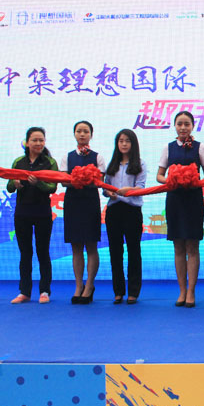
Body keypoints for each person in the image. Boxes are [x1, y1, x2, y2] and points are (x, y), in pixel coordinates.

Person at [157, 111, 204, 308]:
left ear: (192, 126)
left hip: (193, 199)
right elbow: (159, 176)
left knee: (192, 246)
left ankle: (191, 291)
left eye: (187, 124)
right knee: (178, 246)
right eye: (179, 124)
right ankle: (181, 290)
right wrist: (172, 180)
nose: (183, 127)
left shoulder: (200, 147)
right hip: (175, 200)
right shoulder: (168, 147)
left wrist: (193, 181)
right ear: (175, 126)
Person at [8, 127, 58, 304]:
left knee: (43, 251)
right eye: (34, 140)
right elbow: (9, 187)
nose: (38, 143)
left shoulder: (50, 162)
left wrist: (39, 183)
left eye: (41, 140)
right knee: (25, 253)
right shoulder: (18, 161)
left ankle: (44, 291)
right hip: (22, 212)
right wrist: (15, 184)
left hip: (42, 212)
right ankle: (24, 292)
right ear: (27, 142)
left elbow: (53, 187)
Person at [60, 120, 106, 305]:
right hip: (73, 202)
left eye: (86, 131)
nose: (82, 134)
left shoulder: (98, 157)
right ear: (74, 134)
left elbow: (100, 181)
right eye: (79, 131)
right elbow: (63, 181)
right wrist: (76, 180)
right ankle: (79, 285)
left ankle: (90, 285)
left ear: (91, 135)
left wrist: (87, 179)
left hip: (90, 202)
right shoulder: (67, 157)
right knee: (76, 247)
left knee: (91, 245)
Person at [103, 129, 147, 305]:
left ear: (133, 143)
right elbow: (105, 187)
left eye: (127, 141)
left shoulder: (140, 164)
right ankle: (118, 291)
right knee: (115, 251)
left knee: (133, 251)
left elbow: (141, 187)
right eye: (121, 141)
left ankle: (133, 291)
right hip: (114, 210)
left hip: (132, 210)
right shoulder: (112, 164)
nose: (124, 144)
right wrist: (109, 193)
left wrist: (127, 191)